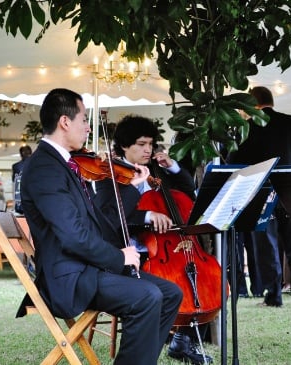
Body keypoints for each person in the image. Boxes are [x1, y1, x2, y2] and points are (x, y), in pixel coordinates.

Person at [19, 88, 182, 365]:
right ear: (65, 122)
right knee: (147, 296)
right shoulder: (45, 168)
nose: (87, 127)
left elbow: (99, 220)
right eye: (84, 120)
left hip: (88, 267)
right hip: (71, 277)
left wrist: (130, 187)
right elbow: (73, 237)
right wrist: (119, 257)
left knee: (170, 293)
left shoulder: (64, 163)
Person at [93, 115, 212, 365]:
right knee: (168, 288)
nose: (148, 149)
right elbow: (110, 217)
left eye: (151, 144)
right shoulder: (109, 175)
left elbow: (188, 190)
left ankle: (177, 340)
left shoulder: (157, 168)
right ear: (124, 145)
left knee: (192, 279)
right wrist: (147, 215)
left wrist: (173, 167)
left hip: (165, 247)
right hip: (131, 252)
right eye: (141, 144)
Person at [226, 86, 291, 307]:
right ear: (271, 102)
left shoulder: (248, 126)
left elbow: (233, 162)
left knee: (267, 246)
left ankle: (274, 296)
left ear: (251, 105)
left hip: (262, 191)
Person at [11, 145, 32, 213]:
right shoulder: (36, 164)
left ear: (21, 154)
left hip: (19, 199)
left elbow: (14, 182)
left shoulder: (16, 166)